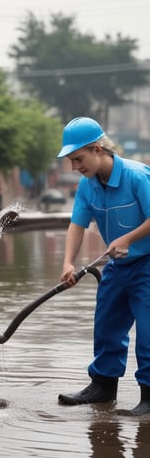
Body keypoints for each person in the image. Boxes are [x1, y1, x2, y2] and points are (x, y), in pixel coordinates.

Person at [56, 117, 150, 415]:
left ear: (97, 149)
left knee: (148, 332)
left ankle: (149, 396)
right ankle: (102, 387)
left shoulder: (137, 176)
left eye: (78, 159)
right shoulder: (88, 186)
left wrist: (128, 238)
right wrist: (68, 262)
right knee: (107, 325)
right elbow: (77, 225)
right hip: (117, 266)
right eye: (72, 161)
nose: (75, 167)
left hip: (147, 264)